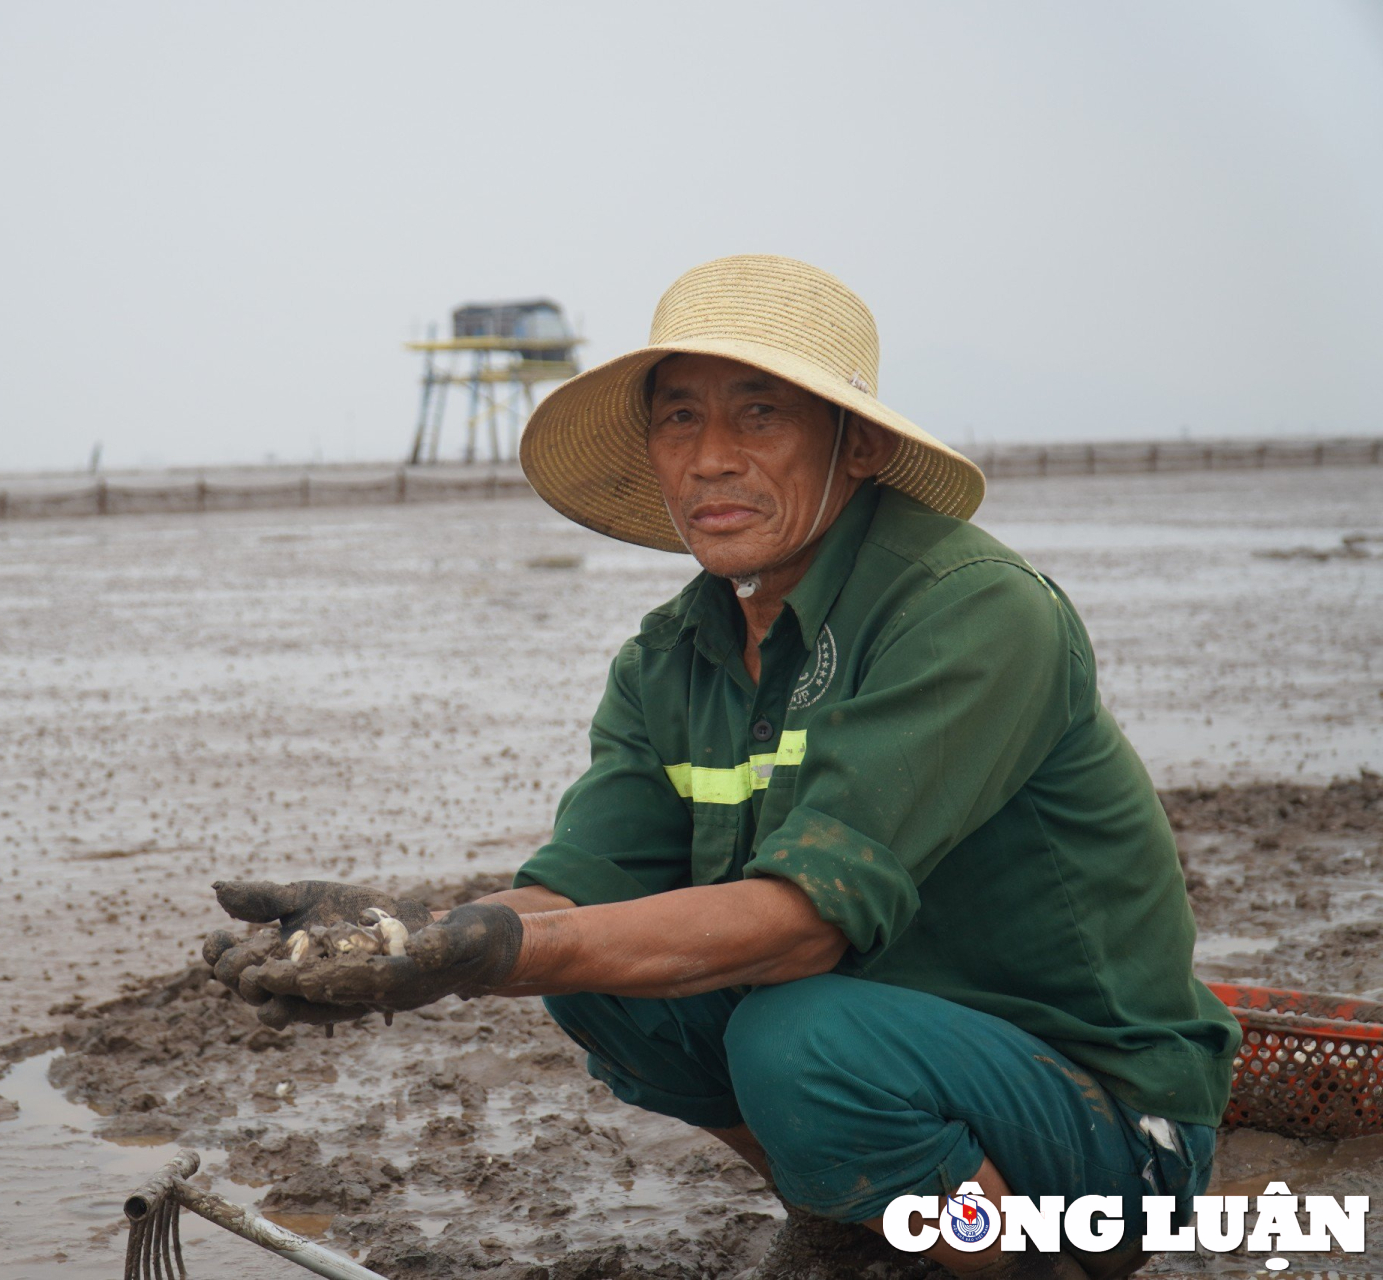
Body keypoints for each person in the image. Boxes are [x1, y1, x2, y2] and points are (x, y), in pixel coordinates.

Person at [203, 256, 1239, 1279]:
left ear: (860, 442)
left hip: (1105, 1118)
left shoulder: (967, 609)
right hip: (890, 1041)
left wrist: (489, 951)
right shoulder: (671, 657)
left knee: (797, 1043)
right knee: (598, 979)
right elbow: (575, 890)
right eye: (680, 419)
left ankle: (1012, 1261)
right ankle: (846, 1221)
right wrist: (415, 937)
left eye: (759, 416)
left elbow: (802, 922)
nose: (711, 458)